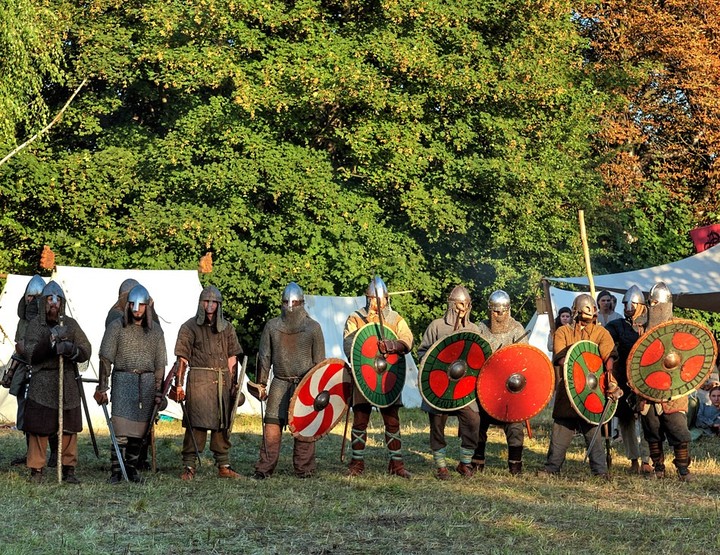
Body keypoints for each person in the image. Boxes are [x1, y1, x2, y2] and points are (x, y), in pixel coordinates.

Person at [539, 293, 620, 478]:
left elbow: (609, 355)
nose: (589, 316)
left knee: (593, 431)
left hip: (591, 391)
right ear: (576, 312)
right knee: (561, 430)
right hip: (568, 390)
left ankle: (599, 470)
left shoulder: (601, 333)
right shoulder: (563, 332)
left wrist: (608, 375)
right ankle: (552, 468)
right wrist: (577, 361)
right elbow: (560, 358)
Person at [252, 283, 326, 479]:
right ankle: (264, 468)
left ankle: (304, 468)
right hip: (280, 382)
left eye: (294, 302)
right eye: (286, 302)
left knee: (304, 427)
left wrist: (317, 389)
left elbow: (320, 364)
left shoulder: (313, 328)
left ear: (302, 303)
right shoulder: (272, 326)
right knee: (271, 426)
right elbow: (265, 356)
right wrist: (261, 383)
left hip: (305, 384)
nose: (290, 306)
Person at [94, 284, 167, 483]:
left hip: (146, 384)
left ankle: (131, 469)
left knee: (138, 433)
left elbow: (160, 365)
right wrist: (102, 387)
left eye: (141, 305)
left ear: (147, 306)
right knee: (120, 431)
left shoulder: (156, 332)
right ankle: (117, 471)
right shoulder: (117, 327)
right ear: (127, 306)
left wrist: (159, 391)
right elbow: (105, 358)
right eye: (133, 305)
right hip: (123, 380)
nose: (137, 309)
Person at [343, 276, 414, 478]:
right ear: (367, 299)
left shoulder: (395, 319)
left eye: (378, 299)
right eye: (371, 299)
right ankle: (357, 462)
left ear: (386, 299)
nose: (375, 303)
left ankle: (397, 464)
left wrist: (392, 346)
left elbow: (408, 340)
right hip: (364, 376)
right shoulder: (355, 318)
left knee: (392, 420)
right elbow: (350, 346)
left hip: (388, 376)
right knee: (360, 420)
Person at [23, 281, 92, 483]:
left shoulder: (70, 324)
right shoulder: (36, 325)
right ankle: (36, 470)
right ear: (44, 302)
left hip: (67, 380)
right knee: (38, 428)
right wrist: (51, 342)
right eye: (50, 300)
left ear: (62, 303)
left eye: (57, 300)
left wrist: (72, 349)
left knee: (69, 429)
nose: (54, 304)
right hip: (43, 380)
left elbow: (86, 347)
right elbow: (31, 354)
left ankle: (69, 469)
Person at [171, 286, 243, 480]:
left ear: (219, 305)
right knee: (197, 423)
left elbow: (232, 358)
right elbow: (182, 358)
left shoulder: (227, 328)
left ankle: (223, 465)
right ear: (201, 303)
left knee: (222, 424)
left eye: (214, 302)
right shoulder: (189, 327)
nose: (210, 305)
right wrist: (179, 385)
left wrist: (234, 384)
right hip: (199, 381)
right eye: (207, 301)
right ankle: (189, 466)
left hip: (222, 380)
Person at [418, 285, 481, 480]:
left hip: (463, 387)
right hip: (439, 387)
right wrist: (437, 360)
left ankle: (464, 463)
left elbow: (479, 358)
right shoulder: (437, 326)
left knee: (473, 420)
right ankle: (441, 466)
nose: (464, 307)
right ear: (452, 305)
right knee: (437, 423)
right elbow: (422, 352)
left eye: (467, 304)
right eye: (461, 303)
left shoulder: (473, 329)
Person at [637, 282, 693, 481]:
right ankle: (658, 468)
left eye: (657, 302)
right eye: (651, 302)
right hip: (647, 390)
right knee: (652, 431)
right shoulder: (641, 329)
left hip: (674, 389)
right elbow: (636, 359)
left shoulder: (679, 327)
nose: (654, 306)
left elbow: (688, 356)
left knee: (679, 430)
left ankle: (683, 470)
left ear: (666, 304)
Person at [1, 275, 55, 467]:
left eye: (35, 297)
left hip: (44, 371)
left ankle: (55, 455)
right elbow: (19, 348)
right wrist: (10, 372)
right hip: (24, 370)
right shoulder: (23, 322)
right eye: (29, 296)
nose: (30, 300)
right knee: (25, 413)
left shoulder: (50, 320)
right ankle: (30, 454)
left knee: (49, 414)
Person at [474, 290, 529, 474]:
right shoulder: (480, 328)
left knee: (515, 426)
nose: (500, 315)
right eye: (496, 311)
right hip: (486, 385)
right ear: (490, 310)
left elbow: (525, 358)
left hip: (509, 387)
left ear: (509, 309)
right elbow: (474, 354)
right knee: (478, 423)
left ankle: (515, 466)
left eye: (503, 311)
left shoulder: (517, 329)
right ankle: (477, 462)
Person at [605, 285, 652, 474]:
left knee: (648, 419)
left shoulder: (652, 325)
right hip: (624, 378)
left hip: (646, 379)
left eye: (632, 304)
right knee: (626, 420)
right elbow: (606, 342)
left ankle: (647, 460)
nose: (628, 307)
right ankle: (633, 459)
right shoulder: (617, 326)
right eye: (626, 304)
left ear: (641, 305)